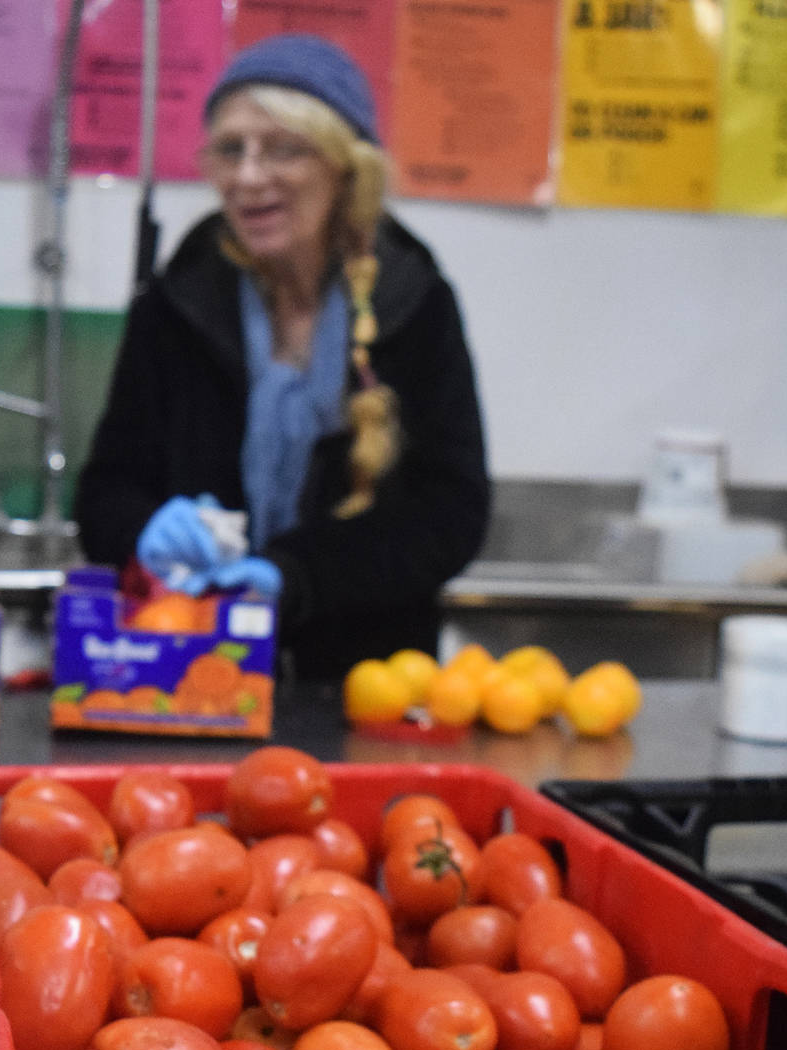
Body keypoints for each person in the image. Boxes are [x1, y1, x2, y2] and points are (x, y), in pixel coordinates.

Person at [72, 34, 491, 681]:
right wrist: (145, 532)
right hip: (191, 673)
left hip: (362, 685)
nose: (247, 177)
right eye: (230, 149)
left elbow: (449, 516)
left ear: (344, 169)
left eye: (284, 150)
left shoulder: (414, 303)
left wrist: (295, 576)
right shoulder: (178, 301)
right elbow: (105, 492)